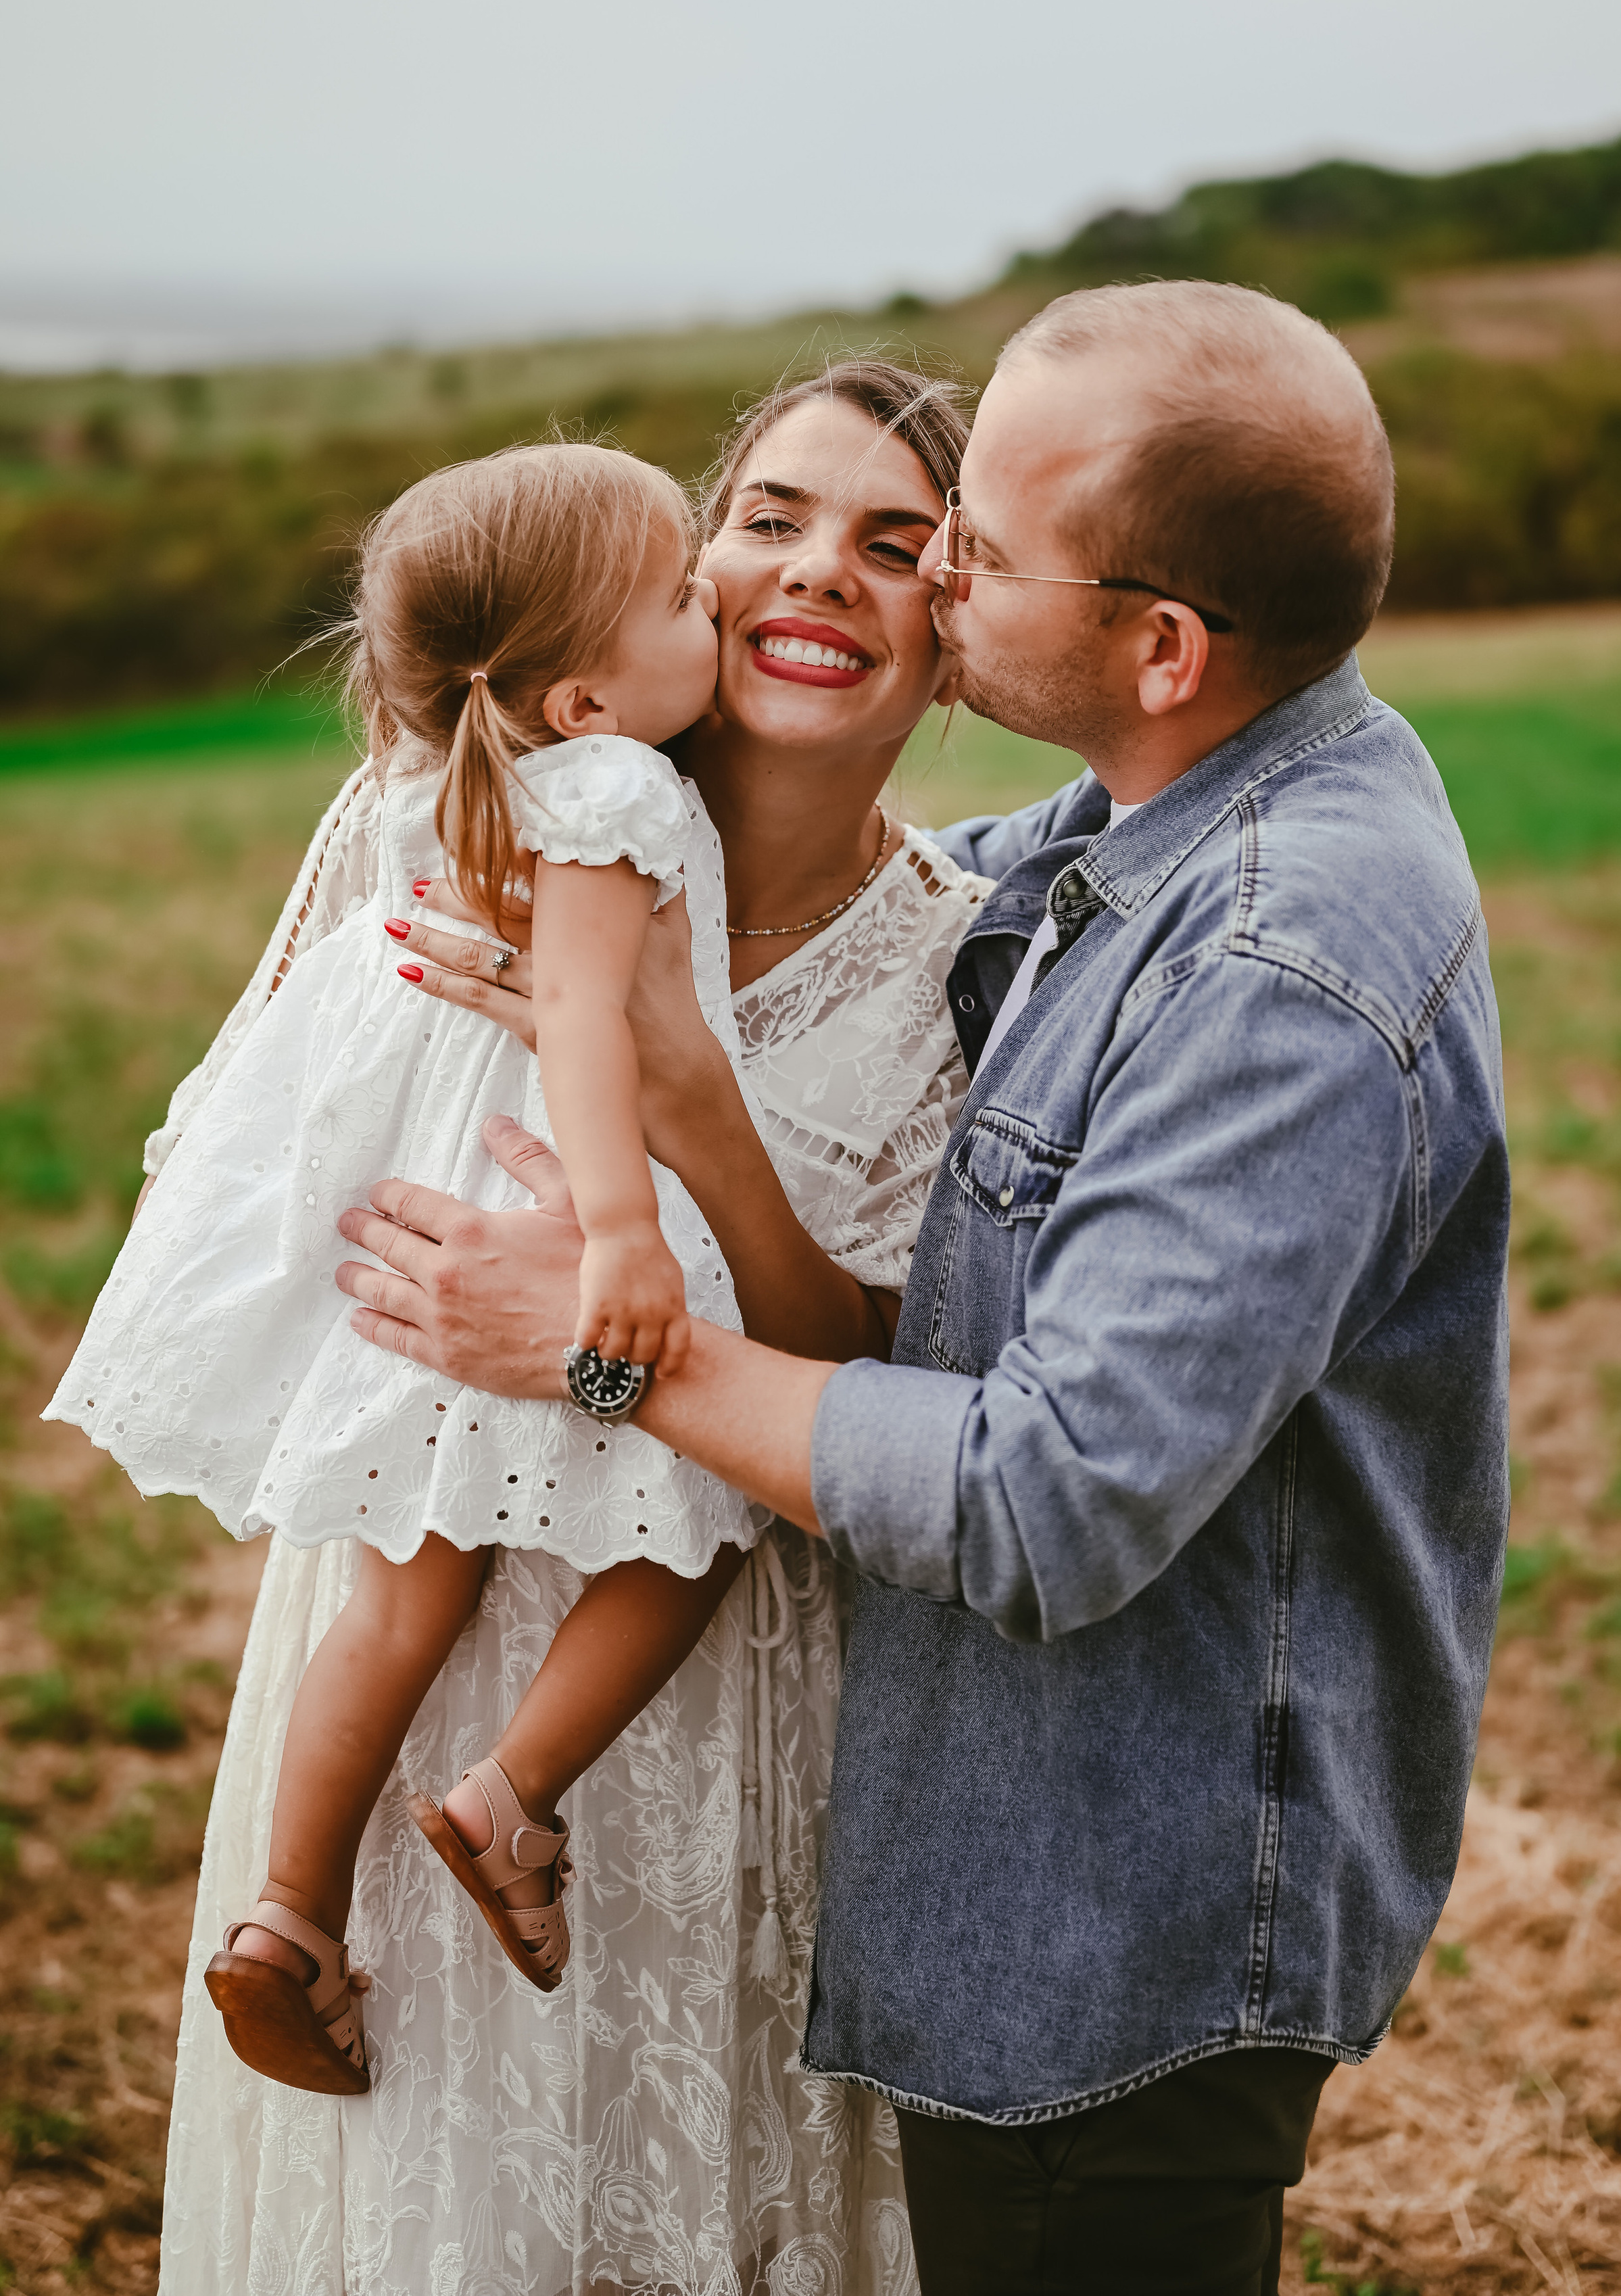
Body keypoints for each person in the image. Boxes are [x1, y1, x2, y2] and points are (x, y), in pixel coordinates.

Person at [337, 282, 1512, 2296]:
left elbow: (1047, 1495)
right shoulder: (1166, 814)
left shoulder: (1269, 967)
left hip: (1114, 1928)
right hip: (1035, 1875)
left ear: (1162, 643)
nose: (933, 568)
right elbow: (914, 899)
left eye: (970, 538)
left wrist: (608, 1352)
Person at [153, 362, 986, 2291]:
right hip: (417, 1595)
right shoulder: (481, 809)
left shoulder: (963, 954)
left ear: (960, 630)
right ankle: (306, 1906)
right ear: (687, 569)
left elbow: (882, 1369)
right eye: (771, 518)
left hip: (703, 1695)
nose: (818, 573)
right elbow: (282, 1129)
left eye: (893, 544)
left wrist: (684, 1133)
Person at [51, 439, 771, 2088]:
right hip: (542, 1208)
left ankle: (288, 1917)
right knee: (703, 1527)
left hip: (407, 1224)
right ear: (584, 699)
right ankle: (509, 1797)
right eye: (679, 594)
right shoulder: (615, 791)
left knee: (399, 1594)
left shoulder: (420, 780)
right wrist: (621, 1232)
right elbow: (585, 1016)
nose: (709, 607)